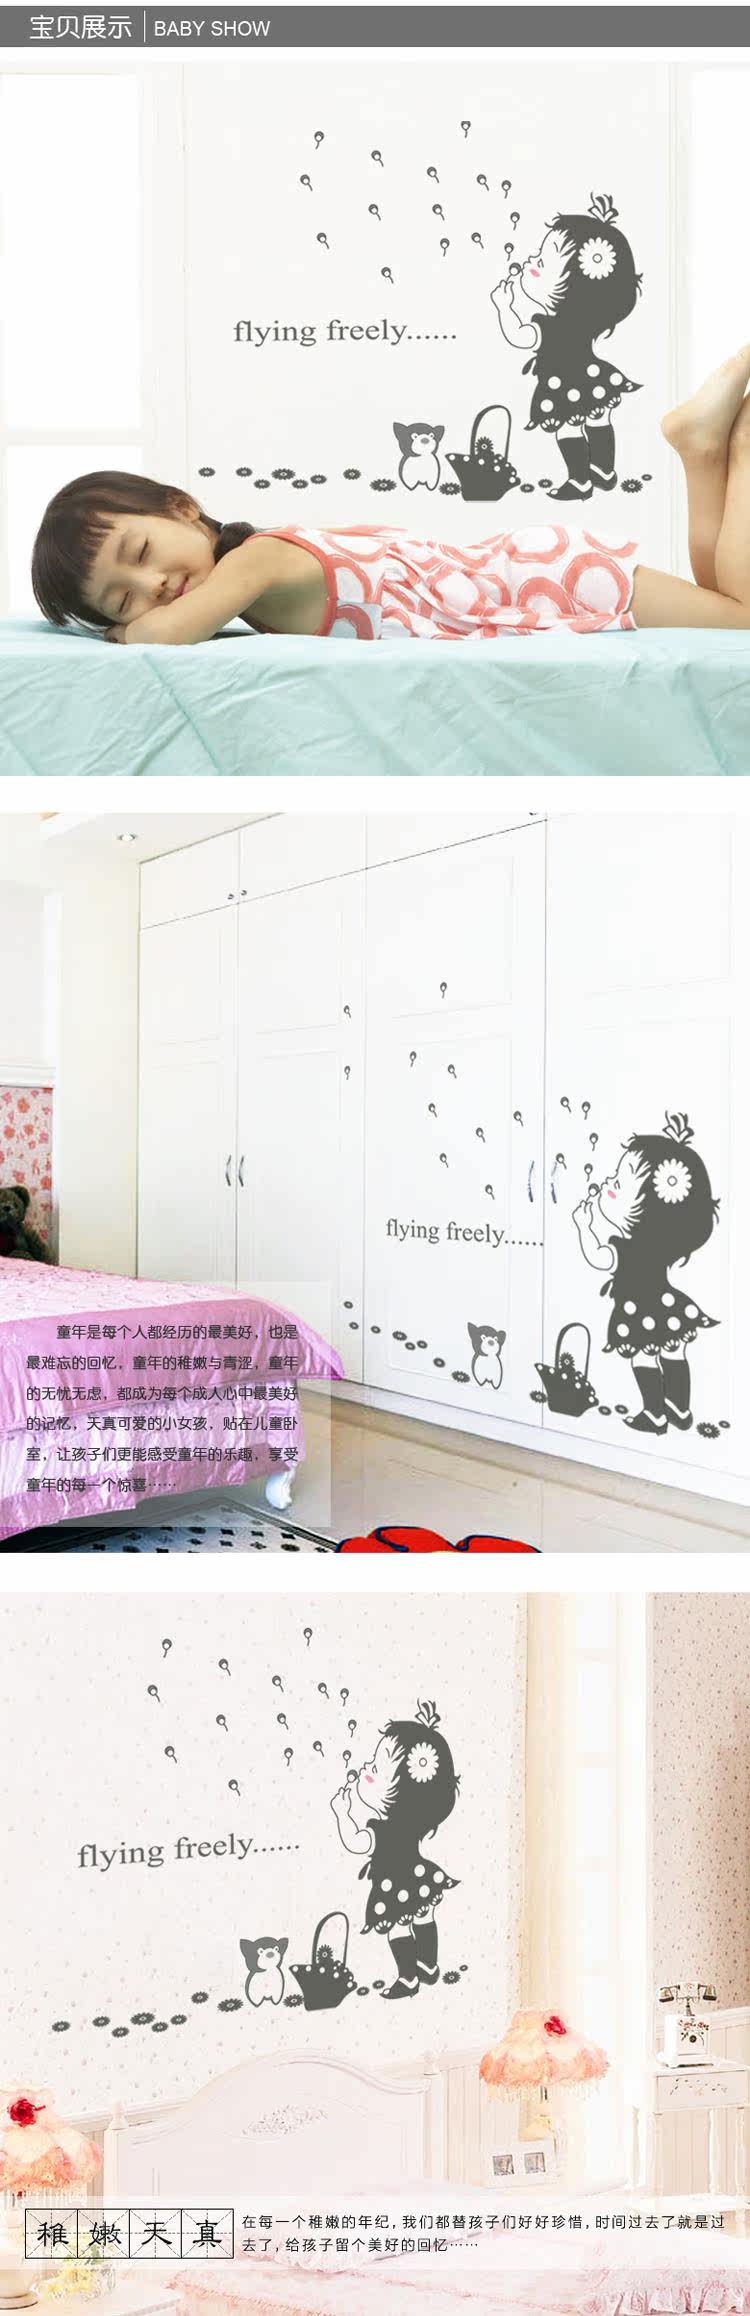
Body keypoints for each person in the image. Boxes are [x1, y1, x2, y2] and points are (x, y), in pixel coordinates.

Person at [30, 346, 750, 640]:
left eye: (141, 553)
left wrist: (122, 630)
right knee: (727, 608)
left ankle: (732, 450)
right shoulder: (266, 560)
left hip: (539, 579)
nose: (153, 586)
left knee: (742, 624)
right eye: (121, 599)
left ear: (182, 509)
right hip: (524, 573)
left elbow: (163, 636)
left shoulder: (251, 564)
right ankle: (702, 452)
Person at [572, 1113, 719, 1436]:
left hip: (637, 1312)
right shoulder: (659, 1247)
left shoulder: (625, 1248)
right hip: (667, 1306)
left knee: (643, 1357)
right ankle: (680, 1409)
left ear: (645, 1208)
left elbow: (598, 1258)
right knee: (674, 1350)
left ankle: (654, 1414)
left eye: (617, 1183)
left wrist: (583, 1226)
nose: (608, 1184)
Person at [330, 1701, 458, 2000]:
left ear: (401, 1792)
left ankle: (408, 1978)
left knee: (398, 1930)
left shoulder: (382, 1829)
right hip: (420, 1878)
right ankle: (429, 1966)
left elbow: (355, 1843)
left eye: (375, 1769)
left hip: (393, 1887)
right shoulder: (413, 1824)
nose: (365, 1769)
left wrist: (341, 1813)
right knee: (424, 1916)